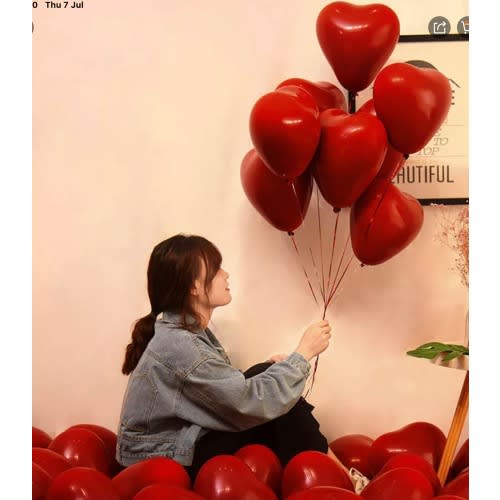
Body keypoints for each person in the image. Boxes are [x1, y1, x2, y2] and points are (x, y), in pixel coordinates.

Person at [116, 234, 369, 492]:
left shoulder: (183, 332)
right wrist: (303, 354)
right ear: (194, 286)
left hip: (174, 444)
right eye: (216, 269)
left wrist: (277, 369)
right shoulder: (181, 344)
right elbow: (246, 402)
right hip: (160, 457)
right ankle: (348, 484)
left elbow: (219, 388)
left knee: (268, 375)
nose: (226, 275)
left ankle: (339, 478)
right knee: (282, 406)